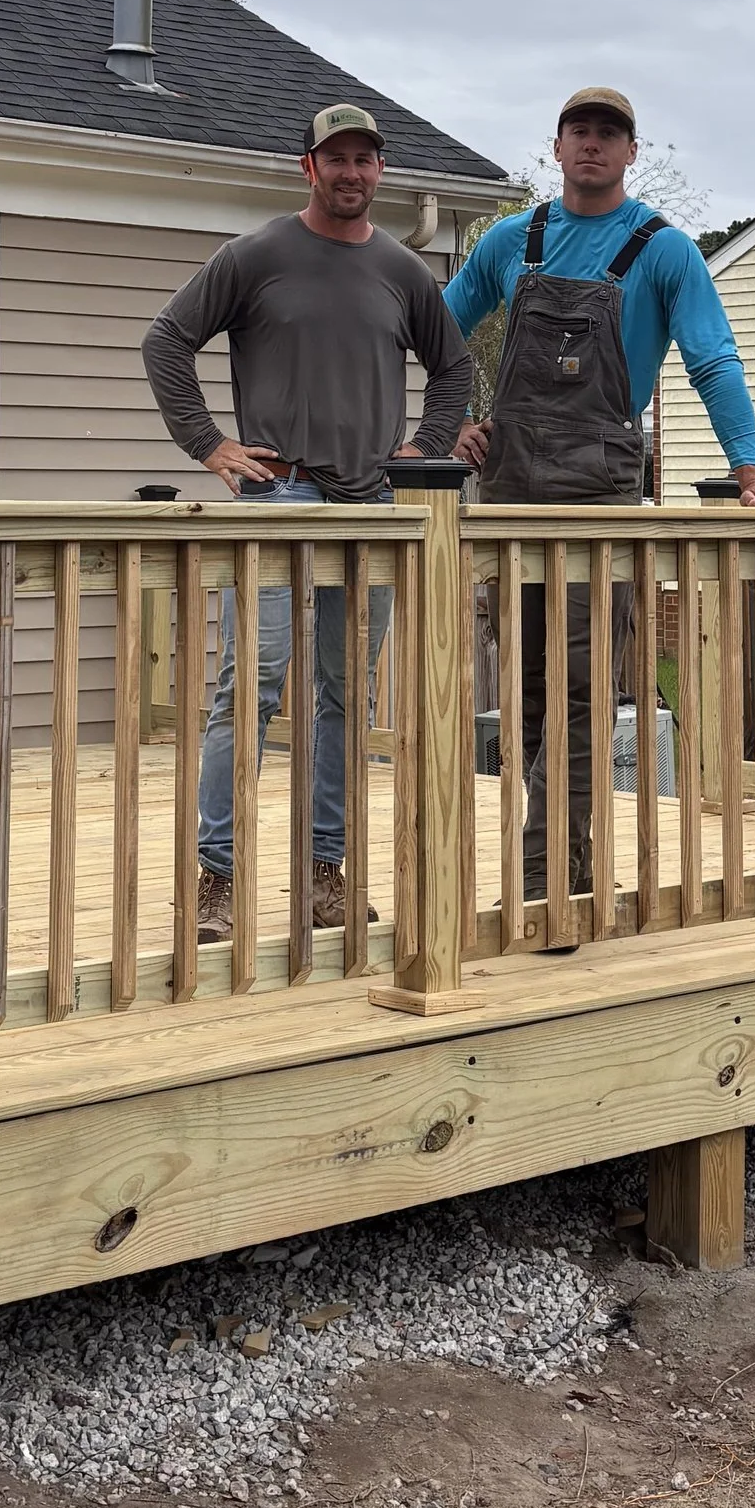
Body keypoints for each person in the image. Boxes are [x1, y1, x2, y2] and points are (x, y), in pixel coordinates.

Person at [444, 86, 755, 900]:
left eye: (610, 135)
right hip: (508, 493)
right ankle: (563, 864)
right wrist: (446, 427)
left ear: (631, 152)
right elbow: (435, 332)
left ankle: (544, 879)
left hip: (600, 494)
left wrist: (750, 470)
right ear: (557, 144)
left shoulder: (662, 250)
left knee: (579, 683)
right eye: (580, 132)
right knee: (526, 686)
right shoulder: (513, 240)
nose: (593, 146)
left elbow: (713, 359)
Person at [142, 103, 473, 940]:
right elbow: (166, 341)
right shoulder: (256, 257)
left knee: (343, 693)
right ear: (308, 168)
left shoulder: (402, 271)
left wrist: (425, 449)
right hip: (280, 494)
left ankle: (326, 875)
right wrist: (210, 444)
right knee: (247, 687)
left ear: (379, 171)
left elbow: (455, 366)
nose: (352, 172)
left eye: (366, 159)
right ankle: (217, 881)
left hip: (370, 505)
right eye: (337, 158)